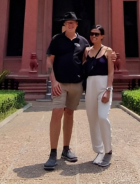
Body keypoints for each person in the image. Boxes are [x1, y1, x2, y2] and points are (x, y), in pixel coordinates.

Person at [44, 12, 88, 171]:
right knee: (57, 112)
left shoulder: (83, 41)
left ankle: (66, 149)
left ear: (77, 24)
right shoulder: (57, 40)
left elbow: (87, 61)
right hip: (59, 83)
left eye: (73, 22)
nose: (70, 25)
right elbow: (49, 60)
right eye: (68, 22)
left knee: (70, 114)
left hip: (76, 84)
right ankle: (52, 153)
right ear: (64, 24)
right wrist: (53, 80)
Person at [83, 24, 113, 167]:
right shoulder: (87, 51)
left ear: (102, 36)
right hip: (90, 85)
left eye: (96, 34)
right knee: (92, 118)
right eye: (91, 34)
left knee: (102, 117)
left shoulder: (108, 51)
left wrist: (108, 89)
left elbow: (111, 72)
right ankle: (99, 150)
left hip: (103, 86)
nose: (93, 36)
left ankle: (108, 151)